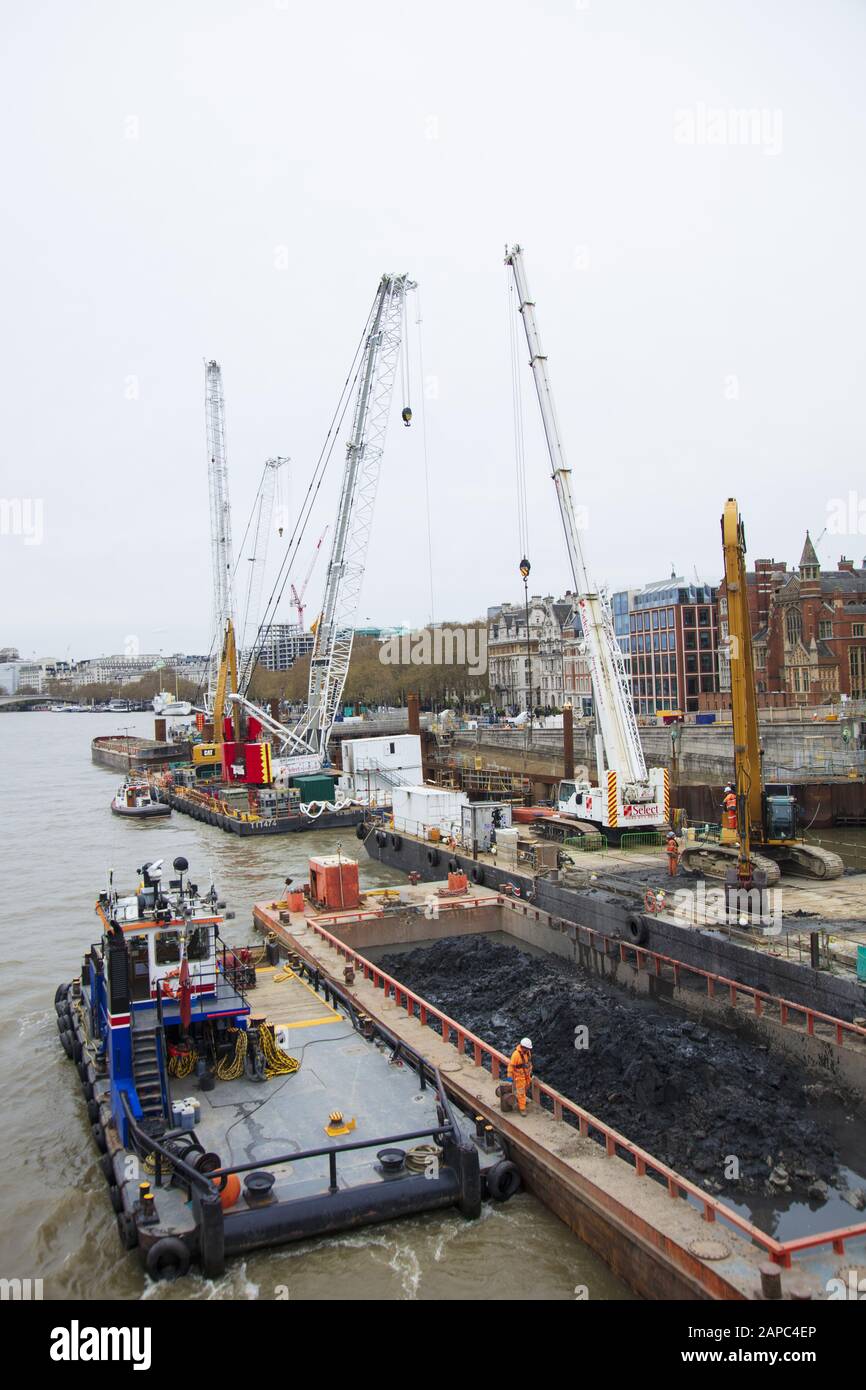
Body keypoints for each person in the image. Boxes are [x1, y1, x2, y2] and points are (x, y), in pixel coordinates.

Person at [507, 1037, 533, 1114]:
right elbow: (511, 1066)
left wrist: (530, 1070)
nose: (528, 1050)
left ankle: (522, 1100)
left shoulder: (528, 1053)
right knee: (521, 1092)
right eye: (527, 1048)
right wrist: (509, 1076)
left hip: (527, 1075)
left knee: (526, 1087)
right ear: (523, 1047)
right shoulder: (516, 1055)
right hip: (519, 1077)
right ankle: (522, 1108)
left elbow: (529, 1062)